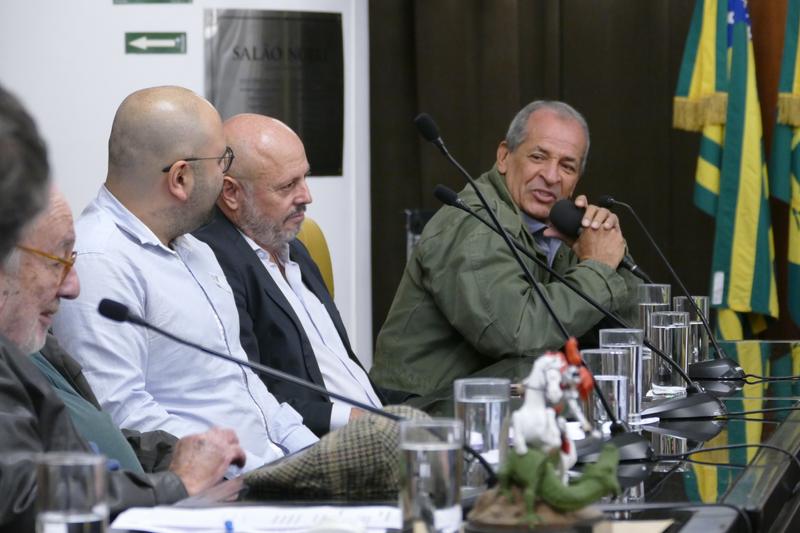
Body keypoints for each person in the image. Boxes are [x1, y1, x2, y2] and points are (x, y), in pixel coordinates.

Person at [0, 85, 245, 531]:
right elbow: (23, 496)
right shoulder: (99, 264)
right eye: (56, 261)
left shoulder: (30, 341)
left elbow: (97, 431)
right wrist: (176, 484)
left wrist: (176, 456)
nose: (74, 285)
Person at [52, 87, 318, 475]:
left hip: (269, 473)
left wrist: (313, 456)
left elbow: (245, 386)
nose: (226, 174)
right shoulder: (100, 261)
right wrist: (257, 474)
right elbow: (123, 417)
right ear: (180, 177)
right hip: (214, 490)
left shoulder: (195, 247)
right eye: (222, 160)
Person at [370, 100, 641, 396]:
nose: (551, 176)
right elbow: (517, 333)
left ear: (576, 181)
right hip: (422, 411)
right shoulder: (474, 223)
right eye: (538, 157)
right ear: (504, 157)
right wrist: (597, 269)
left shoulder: (561, 230)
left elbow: (628, 334)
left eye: (567, 166)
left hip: (498, 403)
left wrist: (609, 252)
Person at [194, 114, 416, 437]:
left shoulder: (295, 248)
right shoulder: (213, 261)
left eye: (304, 178)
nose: (306, 196)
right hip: (315, 443)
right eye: (288, 185)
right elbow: (246, 397)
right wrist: (351, 418)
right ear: (231, 192)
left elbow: (341, 372)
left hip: (374, 426)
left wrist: (406, 410)